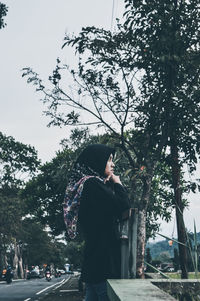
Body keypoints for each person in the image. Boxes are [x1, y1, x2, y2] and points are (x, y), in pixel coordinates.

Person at [63, 144, 130, 301]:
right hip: (103, 262)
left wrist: (106, 184)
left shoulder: (84, 185)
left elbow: (102, 211)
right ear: (97, 161)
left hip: (93, 261)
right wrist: (118, 183)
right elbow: (123, 205)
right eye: (109, 160)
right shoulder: (92, 184)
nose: (112, 164)